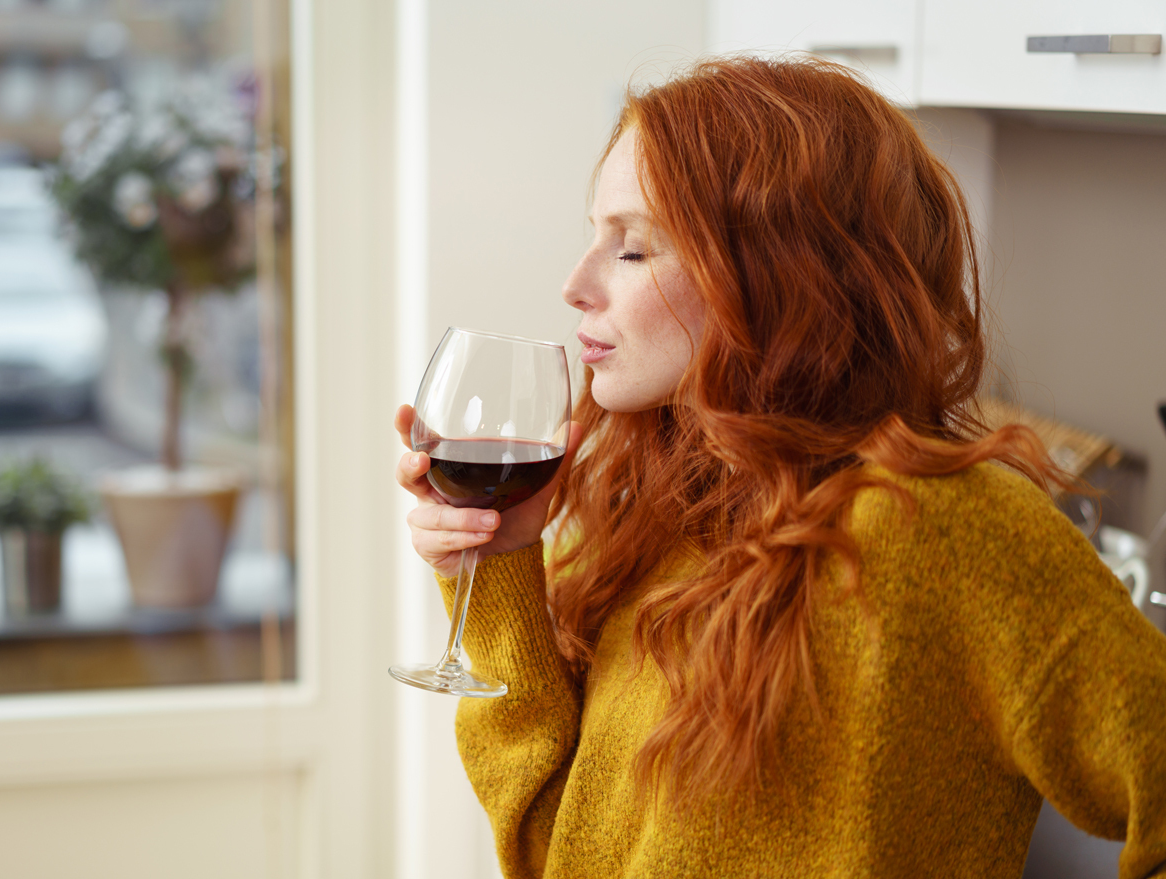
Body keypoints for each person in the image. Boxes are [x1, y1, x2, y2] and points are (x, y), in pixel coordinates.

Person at [394, 56, 1166, 879]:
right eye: (594, 236)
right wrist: (504, 562)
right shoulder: (661, 526)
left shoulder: (946, 531)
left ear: (777, 271)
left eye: (634, 249)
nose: (575, 284)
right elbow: (556, 853)